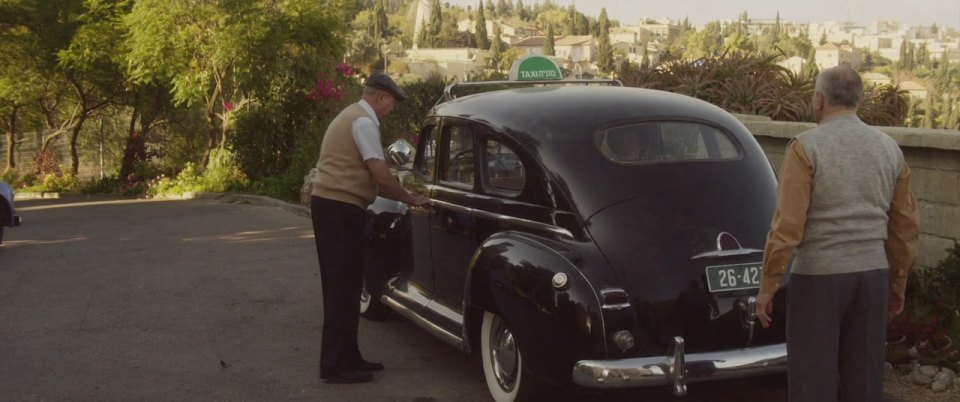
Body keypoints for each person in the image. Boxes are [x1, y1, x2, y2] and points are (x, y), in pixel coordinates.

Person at [755, 65, 919, 402]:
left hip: (819, 277)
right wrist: (897, 283)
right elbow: (904, 224)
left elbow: (788, 225)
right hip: (872, 277)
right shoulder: (890, 149)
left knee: (813, 382)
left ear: (818, 99)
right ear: (858, 100)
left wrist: (769, 285)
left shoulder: (805, 147)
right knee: (865, 382)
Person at [310, 72, 429, 384]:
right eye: (391, 103)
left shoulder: (354, 115)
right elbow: (382, 176)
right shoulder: (363, 122)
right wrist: (410, 198)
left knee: (348, 286)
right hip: (339, 209)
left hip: (335, 206)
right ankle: (335, 366)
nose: (391, 109)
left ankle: (349, 356)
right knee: (341, 288)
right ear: (380, 98)